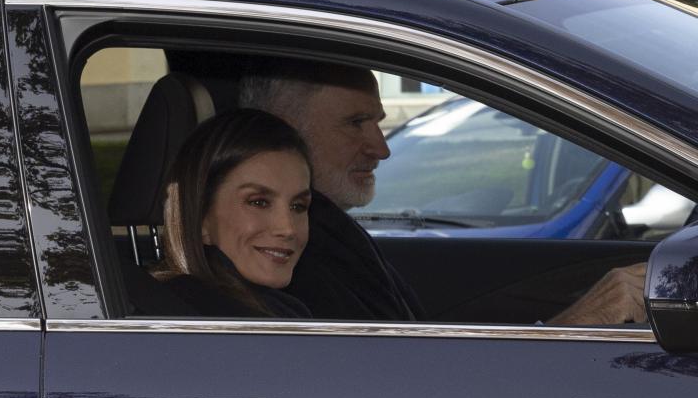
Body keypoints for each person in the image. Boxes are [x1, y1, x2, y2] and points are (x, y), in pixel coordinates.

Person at [239, 60, 647, 324]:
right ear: (281, 130)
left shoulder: (327, 235)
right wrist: (574, 325)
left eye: (377, 122)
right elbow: (408, 393)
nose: (382, 148)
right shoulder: (287, 261)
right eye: (356, 123)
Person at [155, 108, 314, 318]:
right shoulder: (190, 313)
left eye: (298, 206)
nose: (287, 229)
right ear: (201, 217)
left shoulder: (273, 310)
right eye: (258, 202)